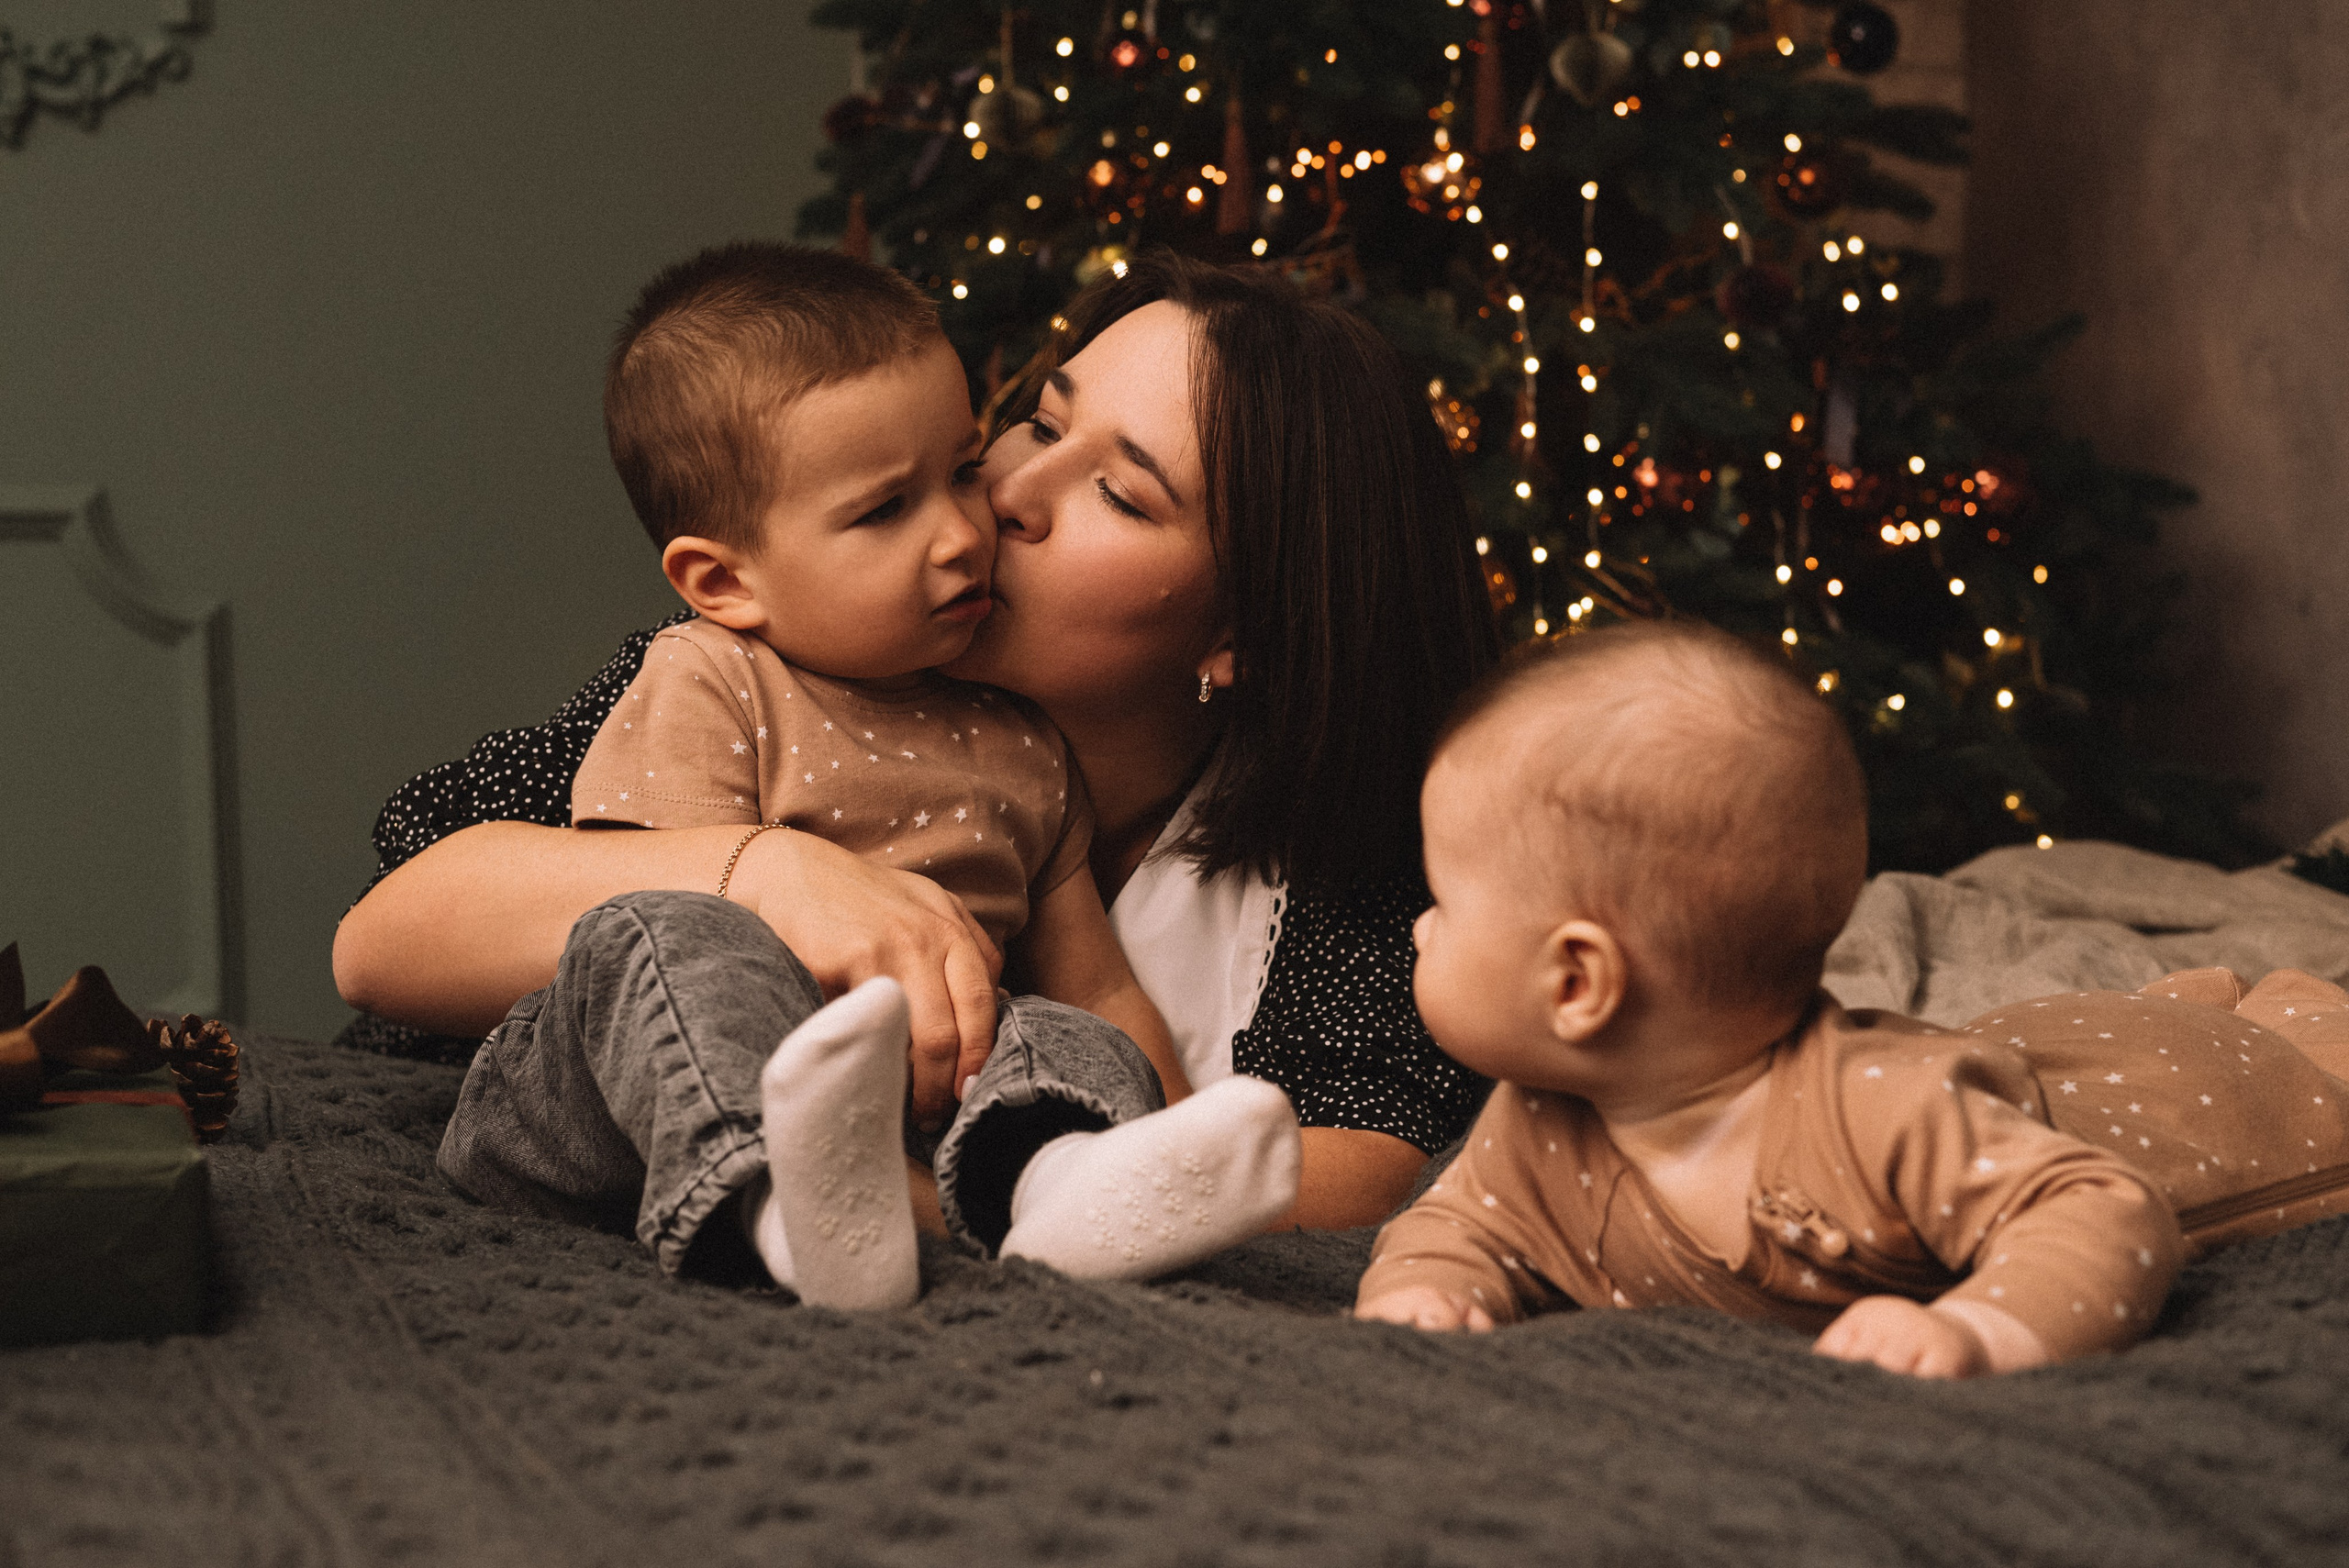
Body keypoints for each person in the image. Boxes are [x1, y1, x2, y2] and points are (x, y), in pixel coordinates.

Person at [332, 250, 1498, 1287]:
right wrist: (776, 875)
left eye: (1119, 492)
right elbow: (384, 939)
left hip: (947, 1175)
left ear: (1242, 630)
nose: (1005, 498)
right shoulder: (758, 664)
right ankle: (770, 1188)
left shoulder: (1321, 864)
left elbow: (1351, 1169)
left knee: (1069, 1042)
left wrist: (982, 1193)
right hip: (601, 1109)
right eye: (1040, 425)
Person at [1354, 623, 2349, 1377]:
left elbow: (2100, 1205)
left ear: (1577, 982)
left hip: (2168, 1094)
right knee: (2037, 1044)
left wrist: (1974, 1326)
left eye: (1441, 899)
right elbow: (1454, 1224)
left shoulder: (1882, 1110)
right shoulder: (1537, 1121)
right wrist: (1428, 1290)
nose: (1418, 927)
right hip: (2004, 1057)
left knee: (2278, 1061)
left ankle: (2276, 1011)